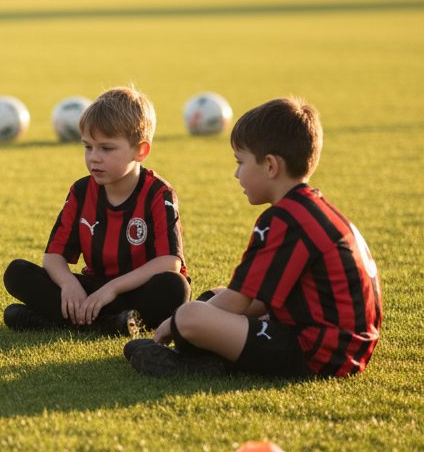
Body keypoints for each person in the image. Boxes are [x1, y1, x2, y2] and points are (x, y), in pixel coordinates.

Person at [126, 97, 382, 378]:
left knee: (191, 316)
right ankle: (210, 349)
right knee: (214, 296)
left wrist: (174, 324)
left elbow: (237, 302)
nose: (236, 174)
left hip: (319, 354)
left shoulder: (285, 219)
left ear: (271, 166)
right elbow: (258, 296)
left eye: (241, 162)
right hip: (341, 345)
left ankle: (197, 363)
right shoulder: (310, 207)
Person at [3, 86, 190, 334]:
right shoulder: (81, 192)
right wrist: (69, 284)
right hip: (93, 287)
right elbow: (53, 257)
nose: (94, 157)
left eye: (106, 148)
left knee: (174, 287)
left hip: (135, 290)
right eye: (88, 147)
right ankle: (111, 323)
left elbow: (169, 263)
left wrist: (111, 290)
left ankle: (62, 320)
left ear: (141, 150)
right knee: (17, 273)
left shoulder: (159, 193)